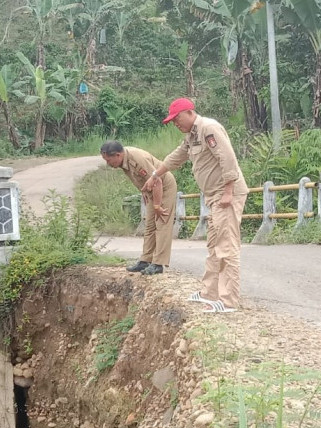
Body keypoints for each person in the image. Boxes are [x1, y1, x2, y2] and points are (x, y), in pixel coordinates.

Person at [143, 98, 248, 312]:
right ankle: (210, 293)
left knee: (226, 246)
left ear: (189, 112)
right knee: (213, 245)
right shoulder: (191, 136)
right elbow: (175, 158)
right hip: (214, 197)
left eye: (177, 118)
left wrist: (228, 192)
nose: (175, 124)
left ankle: (228, 301)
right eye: (172, 121)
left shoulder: (208, 128)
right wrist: (155, 175)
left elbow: (228, 158)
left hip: (226, 194)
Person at [100, 141, 177, 275]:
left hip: (164, 186)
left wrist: (157, 206)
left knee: (162, 222)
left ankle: (158, 264)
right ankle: (145, 261)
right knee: (150, 225)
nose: (108, 164)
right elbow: (141, 178)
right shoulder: (123, 161)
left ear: (118, 155)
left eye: (108, 160)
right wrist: (144, 191)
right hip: (152, 189)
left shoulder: (136, 159)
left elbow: (157, 180)